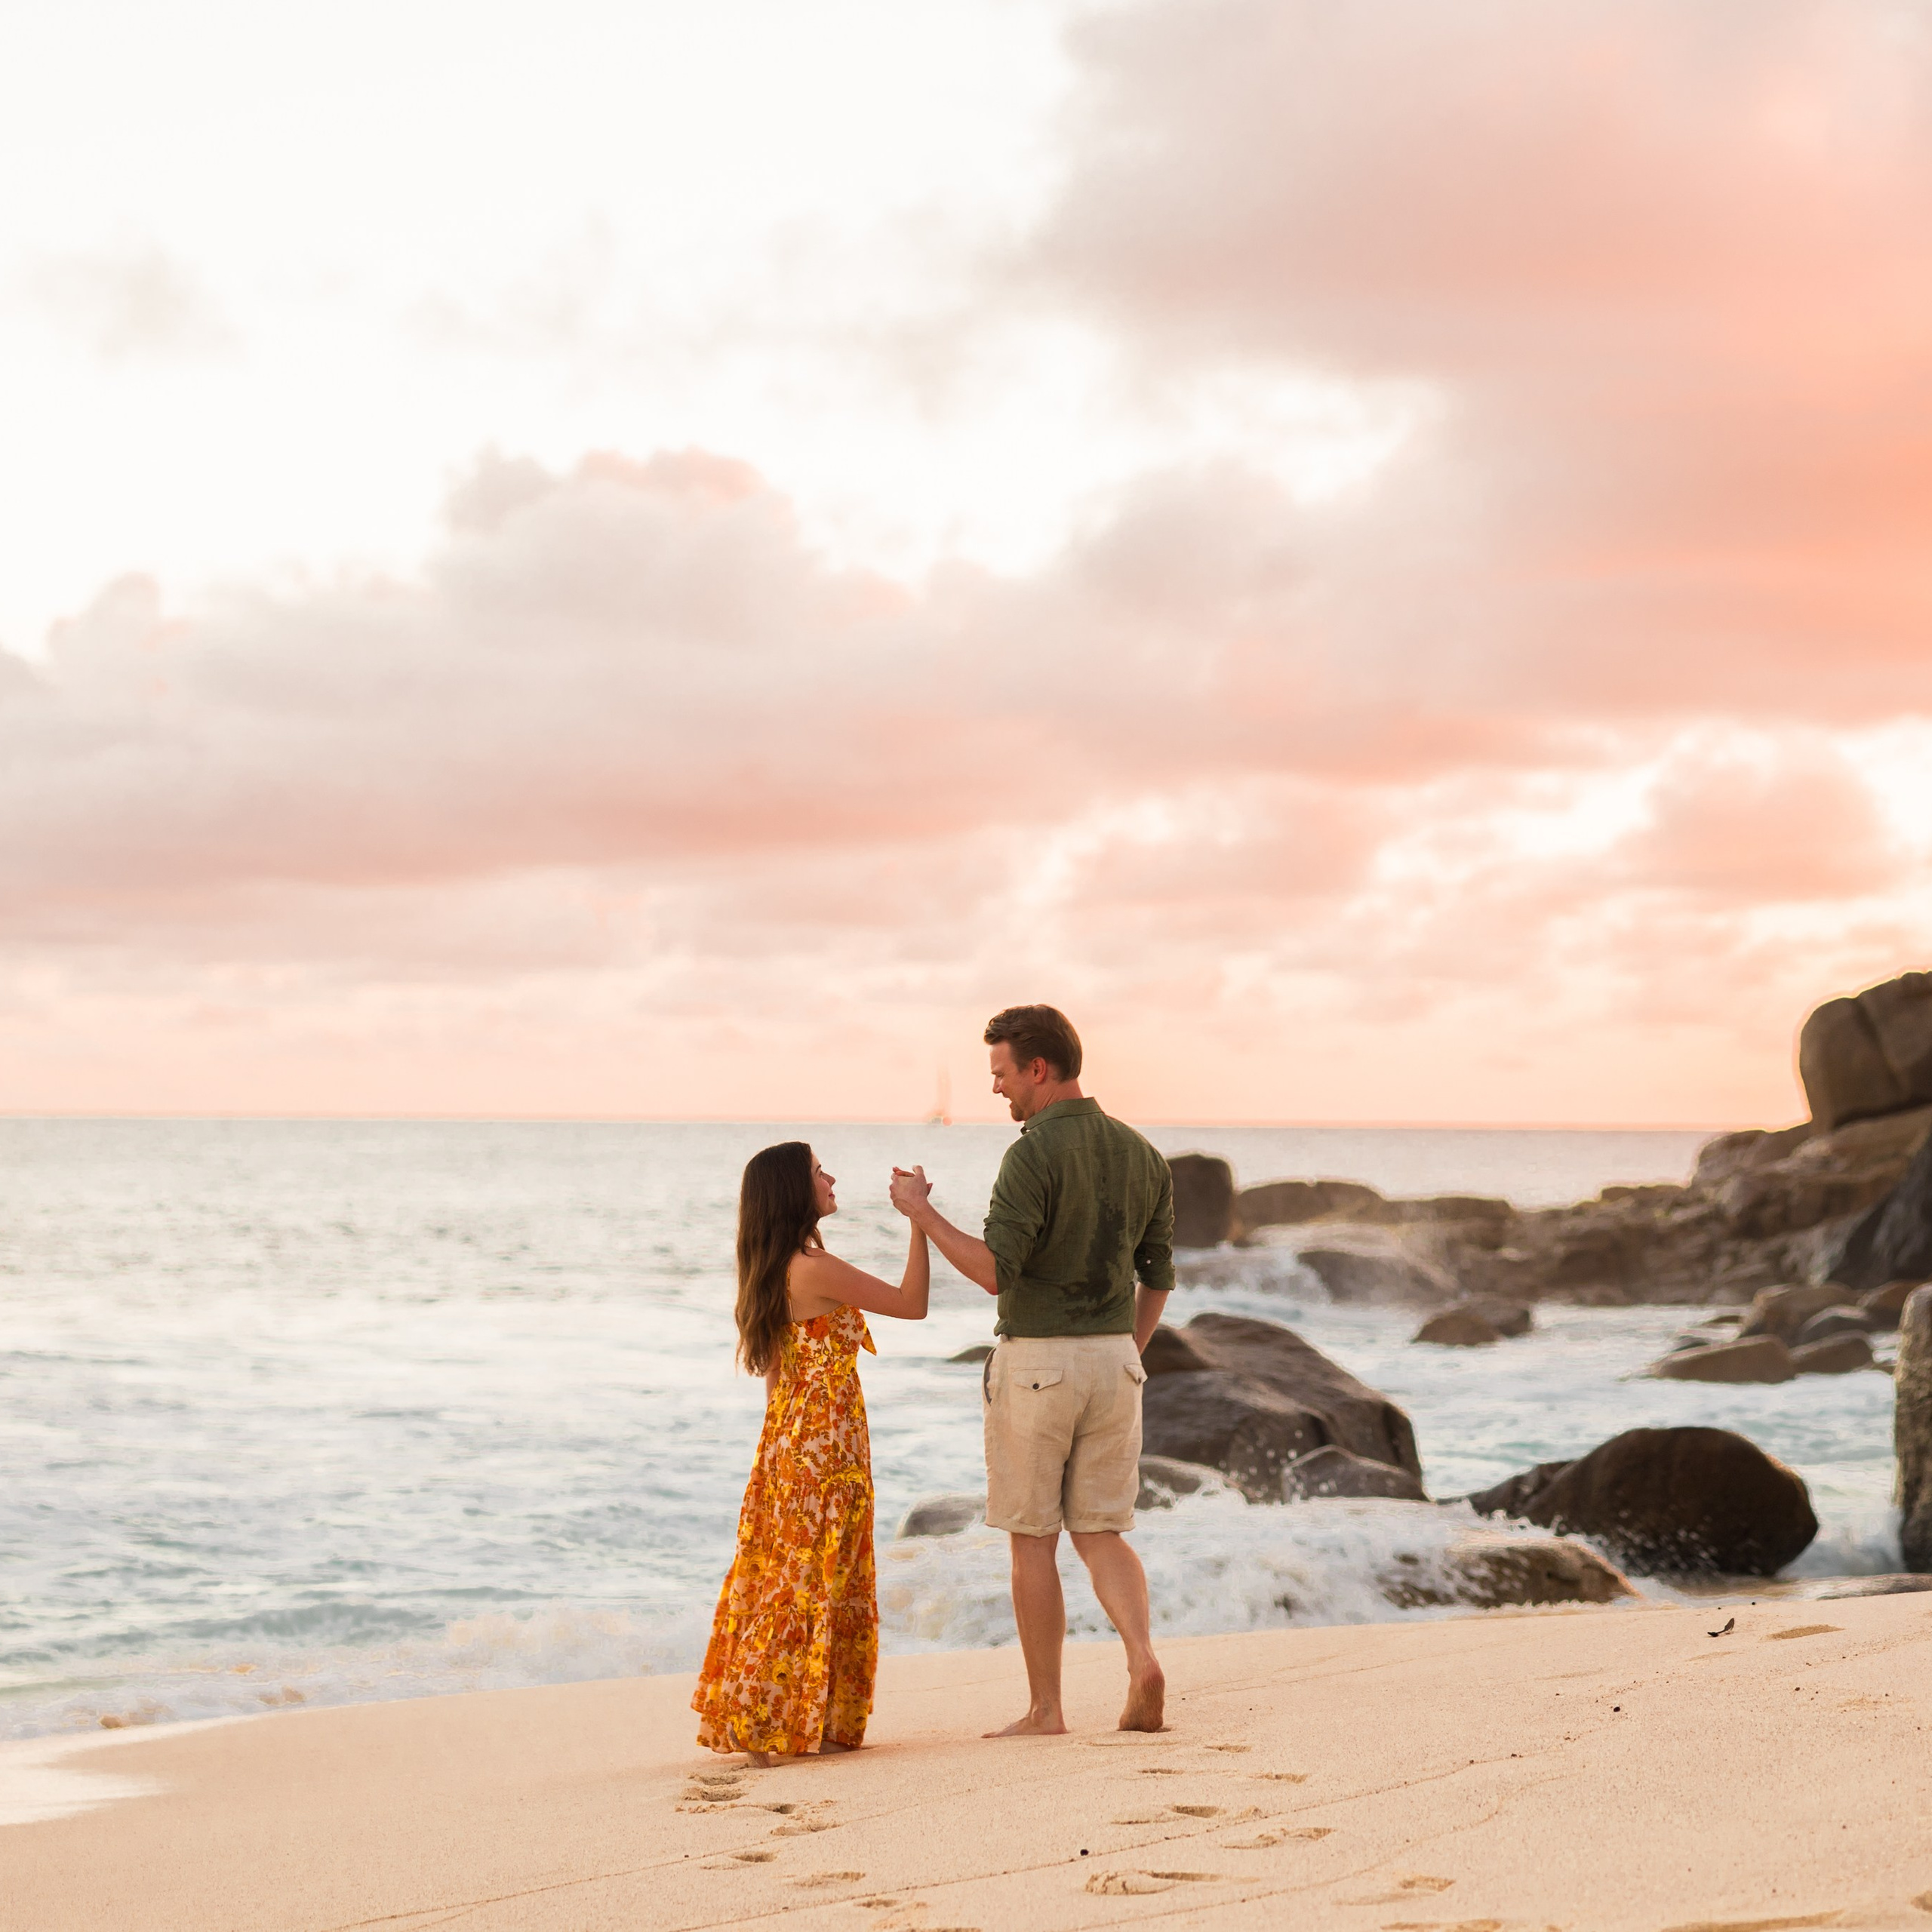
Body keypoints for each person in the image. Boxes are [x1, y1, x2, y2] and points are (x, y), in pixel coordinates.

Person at [889, 1004, 1173, 1738]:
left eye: (1001, 1073)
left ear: (1037, 1069)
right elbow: (1159, 1277)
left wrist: (922, 1213)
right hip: (1116, 1358)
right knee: (1103, 1530)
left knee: (1033, 1539)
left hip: (1038, 1362)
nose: (995, 1090)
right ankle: (1141, 1656)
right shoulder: (1142, 1154)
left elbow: (991, 1272)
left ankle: (1046, 1709)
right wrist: (1127, 1354)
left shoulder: (1032, 1154)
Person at [694, 1142, 930, 1764]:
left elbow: (777, 1377)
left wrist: (776, 1456)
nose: (830, 1178)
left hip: (794, 1442)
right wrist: (918, 1220)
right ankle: (775, 1724)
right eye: (817, 1172)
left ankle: (789, 1719)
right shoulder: (811, 1268)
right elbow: (913, 1303)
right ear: (794, 1193)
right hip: (828, 1448)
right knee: (814, 1579)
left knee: (794, 1578)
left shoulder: (776, 1266)